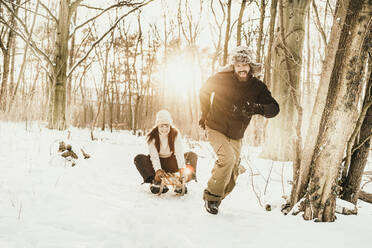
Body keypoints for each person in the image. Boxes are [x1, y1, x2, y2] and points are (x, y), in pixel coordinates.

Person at [199, 46, 279, 214]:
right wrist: (204, 114)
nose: (242, 68)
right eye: (238, 65)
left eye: (245, 65)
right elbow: (204, 91)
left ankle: (218, 197)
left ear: (250, 66)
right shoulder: (222, 78)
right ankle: (212, 197)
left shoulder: (257, 87)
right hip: (215, 126)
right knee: (227, 158)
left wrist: (256, 108)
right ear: (233, 66)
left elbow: (274, 108)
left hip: (236, 134)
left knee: (233, 167)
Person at [134, 110, 197, 194]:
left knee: (192, 155)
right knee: (139, 158)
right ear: (157, 126)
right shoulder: (152, 136)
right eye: (162, 126)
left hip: (171, 162)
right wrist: (158, 170)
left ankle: (182, 181)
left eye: (167, 126)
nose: (164, 129)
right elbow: (154, 156)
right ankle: (156, 182)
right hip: (157, 163)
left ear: (170, 125)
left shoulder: (175, 133)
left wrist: (182, 169)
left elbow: (179, 152)